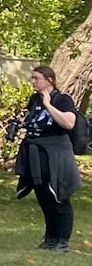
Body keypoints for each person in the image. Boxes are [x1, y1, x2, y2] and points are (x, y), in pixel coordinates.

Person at [13, 64, 80, 251]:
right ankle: (50, 238)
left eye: (36, 78)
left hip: (56, 153)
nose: (33, 82)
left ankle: (62, 240)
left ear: (49, 80)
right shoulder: (35, 99)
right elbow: (29, 119)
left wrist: (49, 104)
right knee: (43, 195)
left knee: (58, 195)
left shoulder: (62, 99)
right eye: (32, 78)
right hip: (36, 153)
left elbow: (68, 123)